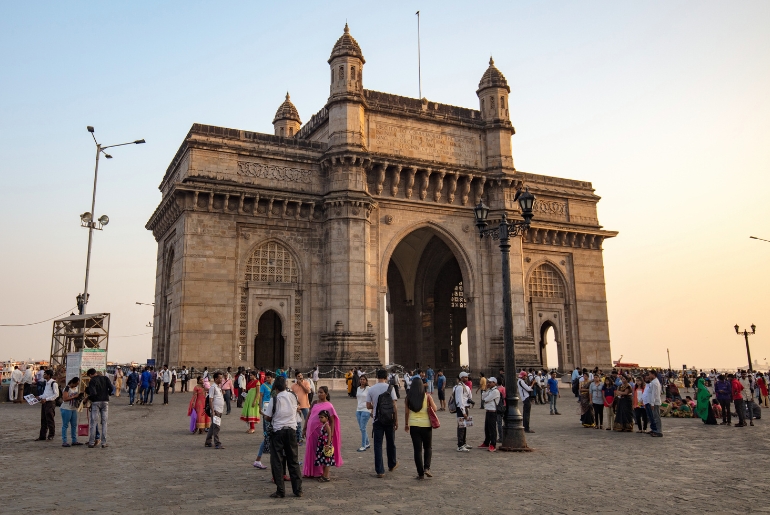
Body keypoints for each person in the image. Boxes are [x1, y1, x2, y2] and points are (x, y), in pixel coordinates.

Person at [264, 376, 303, 498]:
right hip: (291, 430)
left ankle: (280, 490)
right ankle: (298, 490)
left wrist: (264, 415)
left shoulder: (274, 400)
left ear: (275, 387)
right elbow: (297, 408)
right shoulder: (293, 396)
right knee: (293, 461)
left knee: (277, 461)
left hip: (278, 432)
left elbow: (268, 417)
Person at [302, 385, 343, 478]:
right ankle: (309, 471)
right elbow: (309, 415)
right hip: (311, 430)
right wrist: (304, 428)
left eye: (321, 392)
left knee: (319, 451)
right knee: (310, 449)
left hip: (321, 432)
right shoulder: (314, 403)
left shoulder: (329, 406)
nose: (319, 394)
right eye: (318, 392)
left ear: (326, 394)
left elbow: (332, 421)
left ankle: (319, 472)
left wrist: (331, 434)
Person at [366, 369, 399, 477]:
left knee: (378, 445)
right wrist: (396, 420)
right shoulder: (390, 388)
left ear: (377, 376)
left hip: (377, 420)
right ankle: (392, 464)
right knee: (391, 442)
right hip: (389, 419)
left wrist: (376, 406)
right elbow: (394, 405)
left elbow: (368, 406)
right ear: (386, 377)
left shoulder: (371, 389)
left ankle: (380, 471)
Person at [404, 376, 436, 479]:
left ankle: (420, 473)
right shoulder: (427, 396)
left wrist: (406, 424)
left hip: (414, 425)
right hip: (426, 425)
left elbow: (406, 412)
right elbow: (435, 409)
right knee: (428, 447)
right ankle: (427, 467)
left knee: (417, 450)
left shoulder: (408, 397)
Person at [86, 368, 112, 448]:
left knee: (93, 423)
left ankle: (91, 442)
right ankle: (103, 443)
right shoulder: (105, 378)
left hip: (96, 402)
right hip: (105, 401)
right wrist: (108, 394)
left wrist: (88, 398)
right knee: (104, 423)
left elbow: (93, 393)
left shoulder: (92, 381)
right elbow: (111, 388)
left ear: (90, 375)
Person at [253, 372, 274, 470]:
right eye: (266, 377)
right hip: (266, 408)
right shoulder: (263, 386)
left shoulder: (274, 386)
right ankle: (258, 459)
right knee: (267, 434)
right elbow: (260, 396)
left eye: (269, 377)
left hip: (272, 409)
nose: (267, 379)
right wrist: (260, 407)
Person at [34, 369, 58, 440]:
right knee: (43, 419)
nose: (44, 375)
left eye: (45, 374)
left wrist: (46, 399)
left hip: (50, 403)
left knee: (50, 419)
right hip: (44, 402)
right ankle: (42, 436)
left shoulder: (53, 383)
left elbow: (56, 394)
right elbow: (46, 394)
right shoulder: (46, 383)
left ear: (49, 375)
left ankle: (51, 435)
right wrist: (40, 397)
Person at [60, 376, 83, 447]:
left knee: (74, 425)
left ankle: (74, 440)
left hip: (73, 408)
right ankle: (64, 441)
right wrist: (74, 397)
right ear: (73, 382)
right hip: (66, 408)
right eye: (76, 384)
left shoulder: (76, 388)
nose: (77, 385)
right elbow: (64, 398)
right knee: (65, 425)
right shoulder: (67, 388)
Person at [205, 372, 225, 449]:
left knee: (213, 426)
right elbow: (210, 399)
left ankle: (208, 441)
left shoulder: (218, 387)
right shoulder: (213, 387)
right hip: (215, 409)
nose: (221, 379)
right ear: (216, 379)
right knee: (217, 427)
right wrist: (212, 410)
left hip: (219, 409)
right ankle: (217, 443)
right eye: (220, 378)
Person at [480, 377, 501, 451]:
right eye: (488, 382)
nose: (488, 384)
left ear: (494, 383)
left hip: (493, 411)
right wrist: (485, 389)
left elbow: (486, 399)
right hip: (488, 410)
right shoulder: (489, 390)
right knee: (487, 428)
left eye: (490, 382)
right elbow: (483, 397)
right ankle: (486, 442)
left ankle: (493, 444)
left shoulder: (495, 391)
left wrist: (485, 399)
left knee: (492, 429)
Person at [453, 372, 472, 452]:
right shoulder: (460, 387)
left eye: (467, 377)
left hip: (465, 408)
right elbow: (460, 400)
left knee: (464, 426)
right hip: (461, 409)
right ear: (461, 378)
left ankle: (463, 443)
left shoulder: (465, 387)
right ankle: (460, 445)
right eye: (464, 377)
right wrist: (463, 411)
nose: (466, 379)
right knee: (461, 426)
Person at [291, 371, 312, 443]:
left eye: (301, 375)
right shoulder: (293, 386)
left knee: (308, 421)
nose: (300, 377)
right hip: (297, 407)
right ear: (296, 377)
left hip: (305, 405)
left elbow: (308, 391)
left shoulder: (306, 383)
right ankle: (299, 437)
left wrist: (301, 385)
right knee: (298, 422)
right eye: (298, 376)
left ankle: (309, 436)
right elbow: (292, 396)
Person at [643, 370, 663, 437]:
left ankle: (658, 431)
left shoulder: (655, 383)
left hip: (655, 403)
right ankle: (654, 429)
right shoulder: (653, 382)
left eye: (649, 374)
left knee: (656, 417)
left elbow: (654, 394)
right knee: (653, 417)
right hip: (651, 402)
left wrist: (652, 403)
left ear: (653, 374)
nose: (649, 376)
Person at [355, 375, 372, 452]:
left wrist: (372, 410)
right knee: (362, 428)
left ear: (366, 380)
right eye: (361, 379)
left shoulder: (369, 389)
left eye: (363, 379)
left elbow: (372, 399)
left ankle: (363, 445)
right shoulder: (358, 388)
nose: (362, 381)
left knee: (363, 428)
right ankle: (367, 443)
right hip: (358, 409)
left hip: (366, 409)